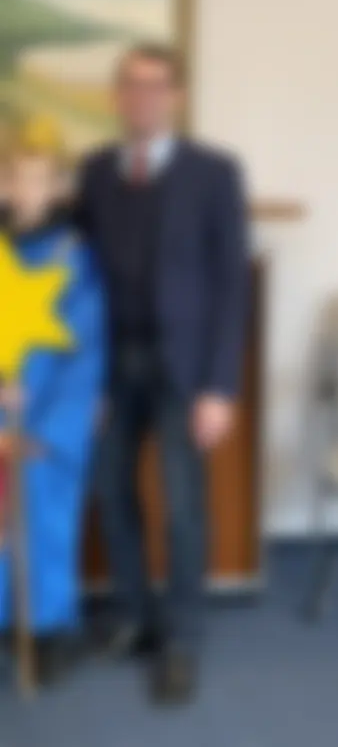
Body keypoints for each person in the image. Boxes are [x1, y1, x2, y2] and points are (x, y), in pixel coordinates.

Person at [76, 43, 251, 705]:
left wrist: (219, 386)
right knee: (113, 494)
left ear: (174, 96)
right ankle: (132, 619)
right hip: (109, 365)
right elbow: (74, 277)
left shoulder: (212, 173)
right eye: (131, 87)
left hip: (186, 368)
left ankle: (180, 641)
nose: (143, 98)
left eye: (156, 87)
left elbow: (232, 284)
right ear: (119, 97)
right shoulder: (94, 173)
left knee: (182, 507)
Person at [0, 113, 107, 687]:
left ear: (58, 185)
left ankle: (45, 631)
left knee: (45, 521)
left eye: (42, 179)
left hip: (45, 426)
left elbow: (87, 348)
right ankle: (6, 622)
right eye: (18, 177)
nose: (30, 190)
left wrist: (49, 427)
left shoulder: (73, 258)